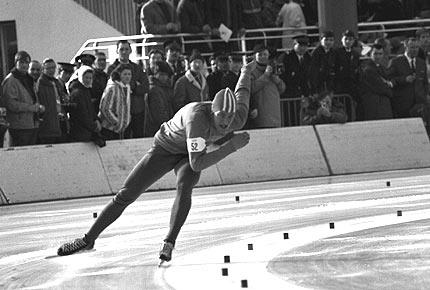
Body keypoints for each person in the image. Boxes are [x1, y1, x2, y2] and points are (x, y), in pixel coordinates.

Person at [56, 60, 256, 265]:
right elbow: (197, 163)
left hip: (187, 154)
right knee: (127, 194)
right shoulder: (197, 119)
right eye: (221, 115)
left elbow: (242, 92)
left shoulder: (236, 117)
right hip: (166, 148)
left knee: (185, 186)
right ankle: (88, 239)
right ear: (212, 110)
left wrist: (245, 71)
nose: (226, 122)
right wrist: (231, 147)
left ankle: (169, 242)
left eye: (231, 117)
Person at [1, 51, 45, 147]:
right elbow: (11, 104)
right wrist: (33, 108)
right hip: (19, 127)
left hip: (32, 124)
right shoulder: (11, 80)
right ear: (16, 63)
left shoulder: (28, 79)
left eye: (26, 63)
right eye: (21, 62)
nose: (24, 65)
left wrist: (38, 108)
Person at [107, 40, 149, 138]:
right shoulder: (112, 69)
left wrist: (133, 87)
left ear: (130, 51)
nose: (124, 52)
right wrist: (133, 84)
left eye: (126, 49)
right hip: (120, 112)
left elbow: (145, 87)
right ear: (117, 51)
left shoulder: (137, 68)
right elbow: (113, 88)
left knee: (138, 137)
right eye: (121, 49)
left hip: (137, 110)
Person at [388, 37, 429, 119]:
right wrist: (404, 79)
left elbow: (425, 82)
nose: (415, 50)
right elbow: (389, 81)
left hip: (420, 104)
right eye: (412, 47)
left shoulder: (421, 62)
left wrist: (424, 96)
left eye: (417, 47)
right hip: (402, 104)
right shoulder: (396, 62)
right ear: (405, 47)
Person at [249, 44, 286, 129]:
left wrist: (277, 81)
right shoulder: (251, 70)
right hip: (261, 111)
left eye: (265, 54)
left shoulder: (274, 68)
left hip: (275, 112)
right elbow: (252, 88)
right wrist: (266, 75)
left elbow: (282, 89)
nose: (263, 57)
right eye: (260, 55)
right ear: (255, 56)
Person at [36, 58, 67, 144]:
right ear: (43, 69)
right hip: (48, 124)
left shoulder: (56, 82)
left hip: (60, 121)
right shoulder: (40, 83)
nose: (51, 70)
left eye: (53, 68)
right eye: (48, 68)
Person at [68, 65, 102, 143]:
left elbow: (90, 110)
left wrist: (96, 120)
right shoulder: (77, 93)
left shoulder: (86, 91)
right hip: (79, 133)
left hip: (86, 132)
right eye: (86, 78)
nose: (88, 80)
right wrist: (93, 127)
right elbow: (81, 114)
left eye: (90, 78)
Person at [359, 44, 394, 120]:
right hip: (374, 105)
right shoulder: (368, 69)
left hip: (381, 105)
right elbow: (380, 87)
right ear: (370, 54)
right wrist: (389, 89)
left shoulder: (381, 67)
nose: (378, 56)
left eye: (380, 54)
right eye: (375, 54)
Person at [99, 64, 132, 140]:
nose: (127, 76)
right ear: (119, 74)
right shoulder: (112, 88)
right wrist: (116, 122)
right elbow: (105, 108)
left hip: (120, 129)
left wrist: (127, 120)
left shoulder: (127, 87)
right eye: (125, 74)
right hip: (109, 129)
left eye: (129, 74)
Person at [144, 60, 174, 137]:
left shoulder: (163, 88)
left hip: (161, 129)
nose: (164, 77)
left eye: (166, 75)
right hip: (158, 130)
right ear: (155, 74)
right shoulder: (155, 90)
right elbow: (158, 113)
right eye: (161, 74)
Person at [310, 30, 336, 94]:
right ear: (321, 40)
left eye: (331, 40)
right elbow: (313, 71)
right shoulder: (316, 53)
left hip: (329, 84)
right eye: (326, 40)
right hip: (319, 84)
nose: (329, 42)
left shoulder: (334, 52)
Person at [91, 52, 109, 116]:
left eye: (104, 60)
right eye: (99, 60)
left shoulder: (106, 76)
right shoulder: (91, 76)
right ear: (94, 62)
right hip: (94, 110)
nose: (102, 62)